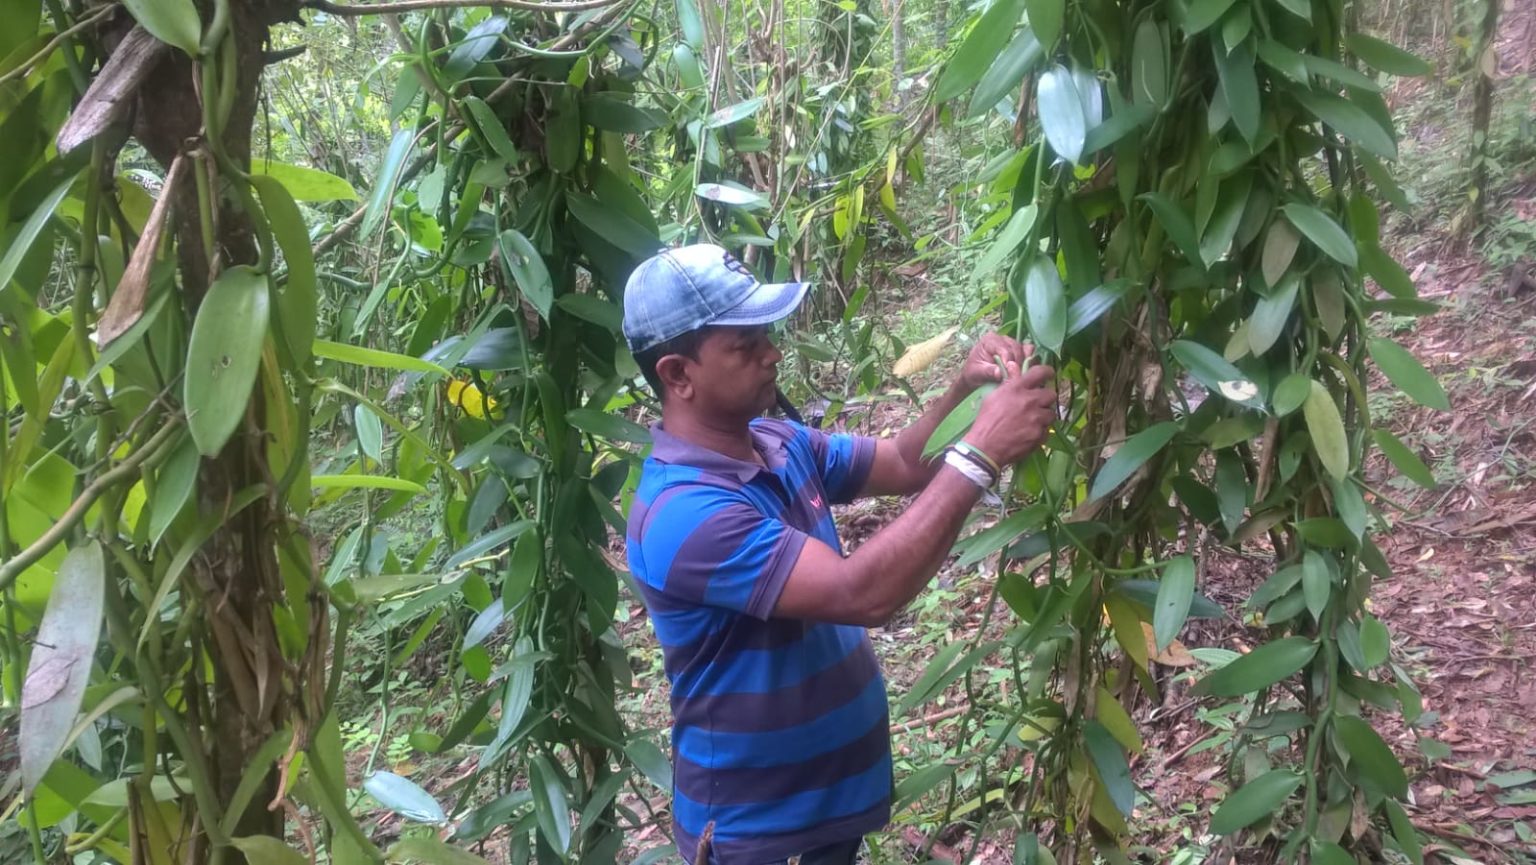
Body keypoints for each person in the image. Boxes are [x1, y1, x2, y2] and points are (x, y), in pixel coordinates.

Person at [621, 244, 1058, 865]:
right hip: (760, 833)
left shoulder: (775, 441)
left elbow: (905, 462)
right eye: (745, 347)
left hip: (820, 816)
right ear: (677, 374)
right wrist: (980, 453)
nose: (772, 353)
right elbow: (863, 594)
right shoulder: (682, 515)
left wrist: (965, 387)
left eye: (765, 335)